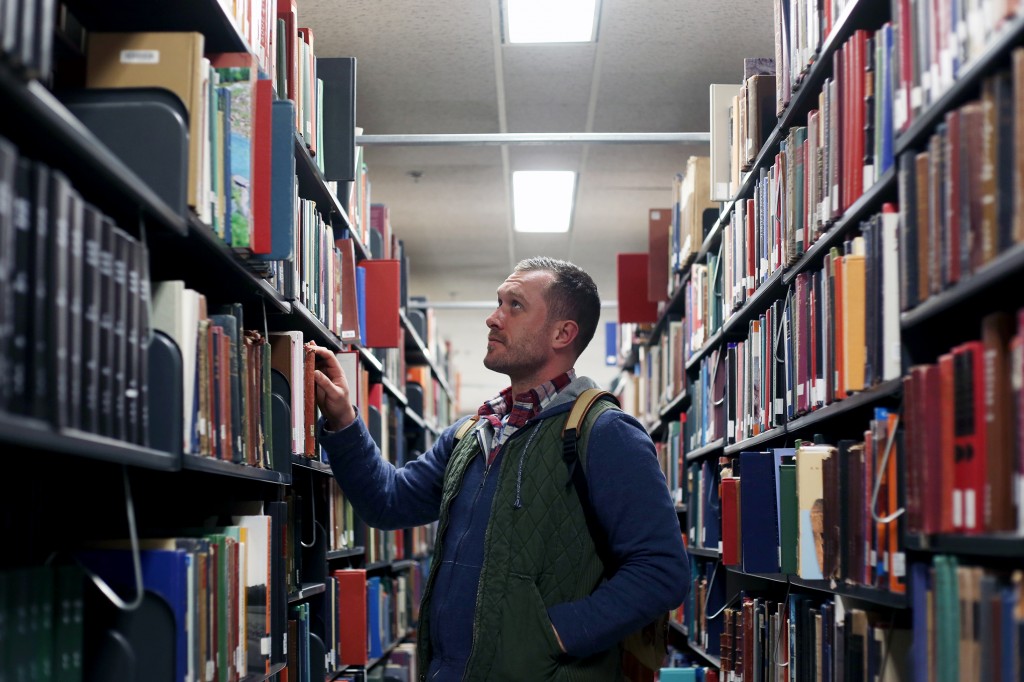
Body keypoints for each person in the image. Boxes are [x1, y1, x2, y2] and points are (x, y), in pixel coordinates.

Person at [312, 257, 689, 681]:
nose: (493, 319)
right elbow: (388, 502)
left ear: (563, 333)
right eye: (498, 303)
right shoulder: (470, 434)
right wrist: (343, 420)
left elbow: (661, 570)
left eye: (515, 306)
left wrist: (551, 636)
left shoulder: (603, 433)